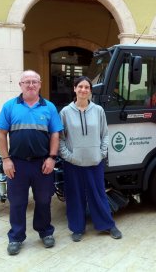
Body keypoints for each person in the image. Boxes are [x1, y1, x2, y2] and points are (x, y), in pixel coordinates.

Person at [0, 70, 63, 255]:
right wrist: (6, 159)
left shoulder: (49, 107)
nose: (31, 85)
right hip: (16, 164)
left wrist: (51, 158)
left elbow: (55, 134)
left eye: (34, 81)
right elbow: (1, 134)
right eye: (27, 82)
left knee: (43, 200)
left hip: (42, 164)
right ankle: (16, 237)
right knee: (17, 202)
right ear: (21, 85)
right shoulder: (9, 106)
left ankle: (45, 232)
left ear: (40, 84)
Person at [59, 76, 122, 242]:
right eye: (80, 86)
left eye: (87, 87)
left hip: (95, 162)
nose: (83, 90)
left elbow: (105, 134)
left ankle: (107, 224)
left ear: (90, 91)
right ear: (74, 89)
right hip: (73, 163)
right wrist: (68, 156)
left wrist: (101, 153)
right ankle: (77, 228)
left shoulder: (98, 110)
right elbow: (60, 138)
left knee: (98, 194)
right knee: (75, 196)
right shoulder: (65, 112)